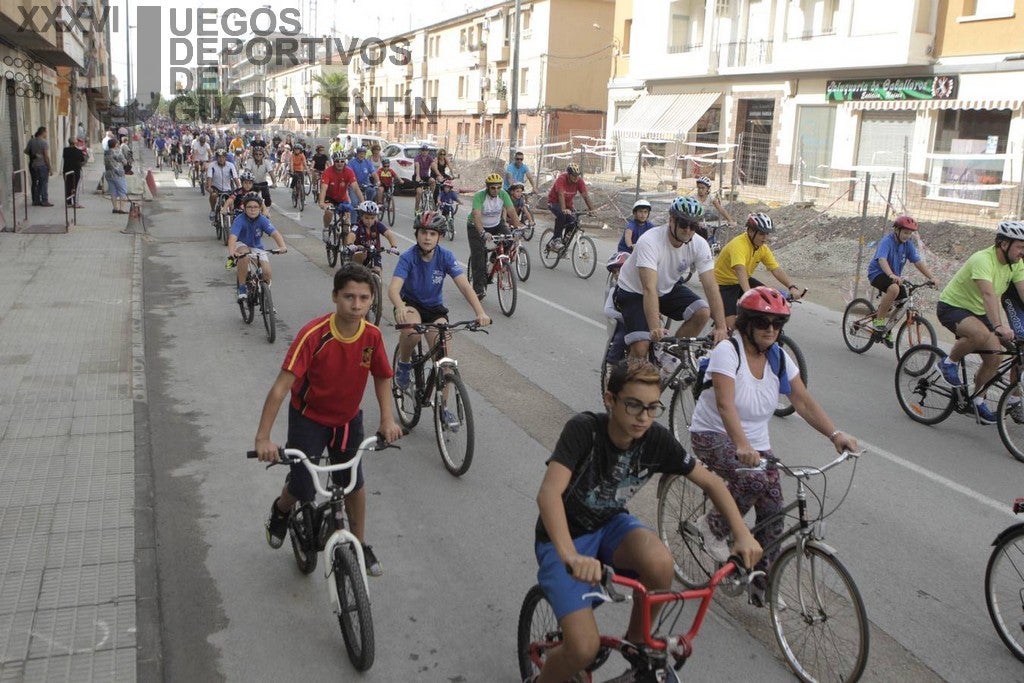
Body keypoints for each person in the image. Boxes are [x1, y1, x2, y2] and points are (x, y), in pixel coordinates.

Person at [529, 359, 762, 683]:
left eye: (653, 408)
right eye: (634, 405)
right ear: (610, 400)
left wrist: (741, 535)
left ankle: (638, 643)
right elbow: (549, 494)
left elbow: (711, 482)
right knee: (582, 649)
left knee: (660, 561)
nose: (643, 417)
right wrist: (570, 554)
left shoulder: (656, 439)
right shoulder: (585, 430)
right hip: (564, 539)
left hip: (611, 525)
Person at [688, 287, 858, 607]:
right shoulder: (729, 351)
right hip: (713, 434)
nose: (770, 329)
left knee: (774, 511)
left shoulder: (779, 357)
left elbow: (803, 402)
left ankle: (760, 582)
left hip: (755, 445)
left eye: (777, 324)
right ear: (748, 323)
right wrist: (741, 445)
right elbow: (725, 406)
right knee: (752, 479)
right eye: (764, 322)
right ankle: (711, 528)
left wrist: (836, 435)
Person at [254, 264, 403, 579]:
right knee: (303, 487)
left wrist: (387, 419)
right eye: (349, 296)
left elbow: (382, 377)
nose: (357, 304)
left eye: (364, 298)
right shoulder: (314, 334)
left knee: (354, 482)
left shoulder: (373, 336)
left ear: (372, 300)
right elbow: (281, 388)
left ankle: (359, 543)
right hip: (310, 419)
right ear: (335, 296)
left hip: (347, 420)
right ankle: (281, 511)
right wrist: (263, 439)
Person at [612, 196, 729, 361]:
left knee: (702, 312)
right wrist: (654, 328)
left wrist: (721, 326)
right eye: (683, 224)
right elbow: (649, 288)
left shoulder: (700, 244)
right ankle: (631, 377)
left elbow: (711, 286)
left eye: (693, 225)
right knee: (641, 347)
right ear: (671, 220)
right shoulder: (650, 241)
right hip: (633, 291)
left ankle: (670, 358)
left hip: (665, 288)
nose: (688, 230)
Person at [389, 212, 490, 395]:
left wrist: (480, 312)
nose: (427, 237)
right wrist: (400, 306)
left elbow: (465, 287)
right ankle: (404, 364)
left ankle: (444, 412)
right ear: (417, 234)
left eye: (433, 233)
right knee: (412, 331)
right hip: (410, 304)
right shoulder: (408, 257)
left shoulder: (446, 256)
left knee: (446, 364)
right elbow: (393, 289)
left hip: (435, 309)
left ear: (440, 237)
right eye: (423, 232)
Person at [935, 221, 1024, 424]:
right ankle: (948, 363)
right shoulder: (982, 259)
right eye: (1020, 246)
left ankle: (977, 400)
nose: (1023, 252)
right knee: (981, 334)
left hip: (978, 312)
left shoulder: (1016, 264)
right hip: (952, 307)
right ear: (1004, 244)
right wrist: (999, 326)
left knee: (995, 358)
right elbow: (988, 294)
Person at [714, 212, 804, 328]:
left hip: (742, 280)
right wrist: (749, 294)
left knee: (769, 298)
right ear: (751, 231)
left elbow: (776, 269)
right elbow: (740, 269)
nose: (765, 238)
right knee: (731, 326)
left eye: (767, 234)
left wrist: (792, 287)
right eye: (762, 234)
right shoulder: (738, 245)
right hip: (723, 284)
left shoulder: (762, 248)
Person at [867, 215, 936, 341]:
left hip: (894, 277)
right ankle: (879, 321)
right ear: (896, 230)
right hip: (877, 273)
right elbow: (882, 259)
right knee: (894, 289)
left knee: (903, 302)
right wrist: (891, 275)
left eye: (910, 233)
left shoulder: (908, 245)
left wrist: (931, 277)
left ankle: (887, 329)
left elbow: (918, 262)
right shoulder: (886, 241)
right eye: (905, 232)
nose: (907, 236)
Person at [468, 173, 522, 300]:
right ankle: (479, 289)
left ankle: (494, 259)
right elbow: (476, 215)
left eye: (498, 187)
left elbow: (511, 211)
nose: (496, 190)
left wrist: (518, 227)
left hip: (496, 224)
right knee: (479, 256)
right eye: (493, 188)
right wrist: (482, 232)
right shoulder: (479, 196)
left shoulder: (503, 194)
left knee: (509, 239)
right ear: (488, 187)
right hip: (476, 226)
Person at [227, 193, 287, 300]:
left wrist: (282, 247)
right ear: (244, 208)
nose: (252, 210)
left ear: (260, 208)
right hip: (242, 244)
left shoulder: (263, 220)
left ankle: (266, 301)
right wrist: (232, 252)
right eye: (249, 207)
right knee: (243, 256)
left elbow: (275, 234)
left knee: (267, 273)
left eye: (255, 207)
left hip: (257, 247)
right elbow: (232, 238)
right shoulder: (239, 220)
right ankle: (242, 287)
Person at [546, 162, 595, 251]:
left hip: (568, 205)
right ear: (568, 175)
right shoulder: (561, 179)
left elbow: (585, 196)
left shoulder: (579, 181)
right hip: (554, 202)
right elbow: (561, 195)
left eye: (577, 175)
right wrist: (564, 209)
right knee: (561, 215)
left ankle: (564, 244)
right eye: (573, 175)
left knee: (573, 221)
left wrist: (592, 209)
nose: (576, 178)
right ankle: (556, 240)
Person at [345, 201, 399, 271]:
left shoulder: (378, 225)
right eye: (366, 218)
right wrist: (350, 244)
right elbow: (351, 235)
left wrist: (393, 246)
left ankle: (378, 281)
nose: (369, 221)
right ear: (361, 217)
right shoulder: (358, 225)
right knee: (358, 269)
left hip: (375, 252)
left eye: (372, 218)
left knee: (377, 270)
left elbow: (389, 234)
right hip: (360, 252)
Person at [319, 152, 364, 232]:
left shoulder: (349, 171)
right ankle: (326, 228)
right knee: (329, 212)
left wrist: (363, 203)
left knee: (347, 223)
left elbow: (356, 188)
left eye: (342, 161)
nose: (340, 164)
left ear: (345, 162)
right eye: (337, 161)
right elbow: (323, 188)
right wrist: (322, 203)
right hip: (330, 197)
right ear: (333, 161)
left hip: (342, 198)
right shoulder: (328, 172)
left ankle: (345, 243)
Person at [348, 146, 379, 223]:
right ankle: (353, 223)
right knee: (354, 204)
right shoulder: (351, 162)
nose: (362, 155)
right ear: (357, 154)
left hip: (366, 184)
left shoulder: (367, 163)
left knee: (372, 191)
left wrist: (378, 181)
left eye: (363, 154)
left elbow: (373, 173)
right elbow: (349, 174)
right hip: (354, 186)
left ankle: (367, 210)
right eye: (360, 153)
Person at [207, 149, 239, 220]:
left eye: (223, 157)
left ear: (225, 158)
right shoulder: (212, 165)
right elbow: (209, 177)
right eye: (219, 157)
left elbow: (235, 177)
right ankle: (212, 210)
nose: (221, 159)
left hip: (227, 189)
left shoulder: (230, 165)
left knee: (231, 206)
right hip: (216, 188)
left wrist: (239, 187)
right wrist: (209, 187)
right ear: (216, 158)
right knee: (213, 195)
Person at [25, 127, 52, 206]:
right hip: (42, 165)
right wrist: (50, 167)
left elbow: (26, 151)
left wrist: (35, 155)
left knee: (34, 183)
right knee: (43, 183)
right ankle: (44, 200)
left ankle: (35, 200)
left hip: (33, 165)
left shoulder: (31, 141)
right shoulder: (44, 143)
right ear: (43, 132)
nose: (46, 134)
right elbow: (46, 157)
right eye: (46, 132)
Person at [103, 137, 129, 214]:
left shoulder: (106, 153)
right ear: (115, 145)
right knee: (122, 191)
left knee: (113, 192)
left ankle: (115, 208)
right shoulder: (117, 152)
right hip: (118, 174)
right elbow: (125, 162)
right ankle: (122, 209)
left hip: (108, 174)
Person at [61, 137, 86, 209]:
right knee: (76, 187)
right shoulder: (78, 151)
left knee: (68, 186)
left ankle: (68, 202)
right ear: (75, 142)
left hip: (66, 170)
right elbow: (82, 160)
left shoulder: (65, 150)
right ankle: (76, 203)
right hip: (76, 171)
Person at [412, 144, 435, 212]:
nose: (425, 152)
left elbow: (433, 166)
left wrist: (439, 174)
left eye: (426, 150)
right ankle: (416, 209)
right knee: (419, 192)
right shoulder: (417, 157)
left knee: (433, 181)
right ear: (421, 151)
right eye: (423, 150)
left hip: (425, 176)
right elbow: (417, 166)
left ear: (428, 151)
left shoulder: (429, 157)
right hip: (417, 176)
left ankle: (431, 196)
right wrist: (418, 176)